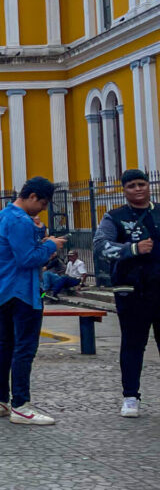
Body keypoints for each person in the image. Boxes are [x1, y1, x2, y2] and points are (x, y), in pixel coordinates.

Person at [0, 176, 67, 425]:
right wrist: (51, 245)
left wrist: (38, 230)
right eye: (43, 204)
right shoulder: (20, 220)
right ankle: (20, 405)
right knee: (25, 347)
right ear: (32, 197)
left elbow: (17, 247)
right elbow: (28, 258)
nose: (42, 209)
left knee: (6, 344)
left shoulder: (5, 215)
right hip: (23, 291)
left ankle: (0, 400)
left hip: (4, 289)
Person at [93, 168, 160, 418]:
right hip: (131, 291)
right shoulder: (114, 217)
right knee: (133, 344)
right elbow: (100, 247)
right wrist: (131, 249)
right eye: (132, 186)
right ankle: (131, 396)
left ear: (148, 186)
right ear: (124, 190)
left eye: (141, 184)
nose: (138, 189)